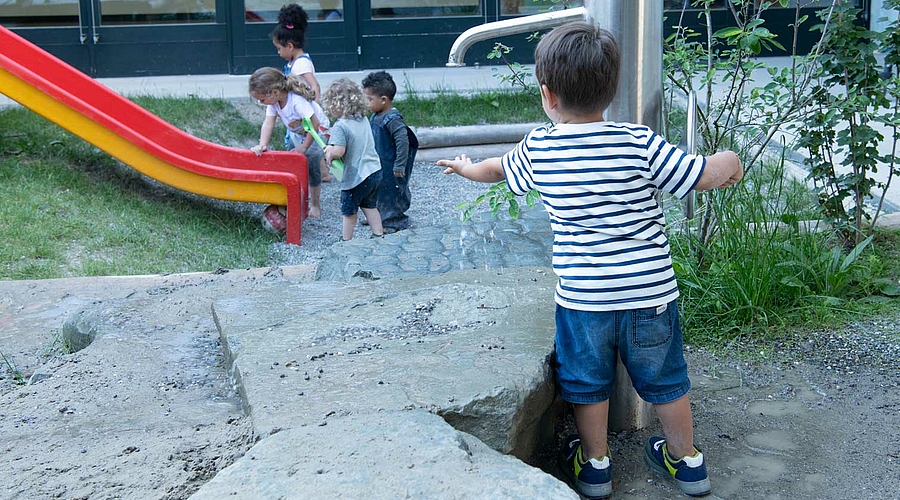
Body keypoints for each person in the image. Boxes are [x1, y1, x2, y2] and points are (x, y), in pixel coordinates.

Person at [438, 22, 743, 499]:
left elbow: (496, 170)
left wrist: (464, 167)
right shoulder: (638, 142)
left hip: (583, 300)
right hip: (649, 295)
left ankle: (596, 466)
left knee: (587, 383)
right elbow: (702, 176)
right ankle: (687, 463)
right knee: (666, 379)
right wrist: (729, 160)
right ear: (611, 88)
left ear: (547, 94)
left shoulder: (540, 146)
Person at [248, 67, 329, 224]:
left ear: (275, 92)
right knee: (293, 162)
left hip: (318, 133)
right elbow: (268, 122)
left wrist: (304, 147)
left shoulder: (296, 101)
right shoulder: (274, 102)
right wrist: (262, 145)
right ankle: (295, 197)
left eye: (262, 99)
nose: (261, 102)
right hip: (299, 132)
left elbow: (315, 124)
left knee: (311, 166)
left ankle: (315, 204)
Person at [271, 3, 332, 183]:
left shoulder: (301, 64)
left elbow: (315, 86)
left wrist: (314, 105)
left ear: (290, 46)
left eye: (279, 48)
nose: (278, 52)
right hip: (299, 112)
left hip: (304, 112)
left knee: (305, 143)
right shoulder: (294, 62)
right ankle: (324, 174)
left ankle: (312, 175)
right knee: (309, 144)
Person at [322, 78, 385, 241]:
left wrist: (329, 151)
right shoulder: (362, 118)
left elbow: (339, 151)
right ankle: (379, 235)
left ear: (335, 105)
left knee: (349, 211)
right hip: (374, 171)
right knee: (370, 206)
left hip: (356, 177)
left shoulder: (340, 126)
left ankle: (346, 241)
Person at [361, 70, 419, 233]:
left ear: (384, 100)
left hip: (391, 166)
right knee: (375, 191)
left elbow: (403, 141)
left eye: (369, 99)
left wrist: (399, 165)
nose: (366, 103)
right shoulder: (376, 115)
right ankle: (376, 216)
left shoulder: (392, 119)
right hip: (378, 164)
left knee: (391, 194)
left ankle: (394, 221)